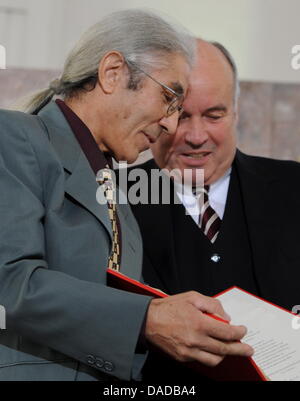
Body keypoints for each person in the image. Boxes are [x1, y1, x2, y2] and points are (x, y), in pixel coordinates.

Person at [0, 13, 253, 381]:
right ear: (113, 72)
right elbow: (10, 283)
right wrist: (147, 318)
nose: (170, 124)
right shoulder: (15, 136)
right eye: (169, 97)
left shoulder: (119, 194)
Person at [129, 39, 300, 381]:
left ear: (237, 111)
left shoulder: (294, 186)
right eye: (179, 114)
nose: (196, 136)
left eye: (214, 115)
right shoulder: (109, 195)